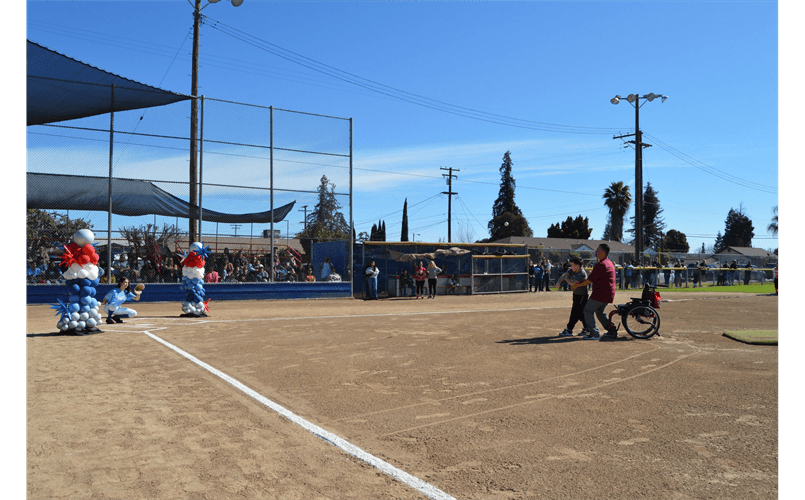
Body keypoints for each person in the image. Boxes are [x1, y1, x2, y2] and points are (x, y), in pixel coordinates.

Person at [572, 243, 617, 340]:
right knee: (599, 311)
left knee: (587, 310)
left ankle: (594, 333)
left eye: (598, 250)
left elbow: (589, 281)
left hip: (601, 293)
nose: (596, 251)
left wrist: (577, 285)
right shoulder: (608, 262)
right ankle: (611, 329)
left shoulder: (601, 264)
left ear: (603, 252)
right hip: (609, 293)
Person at [556, 256, 589, 337]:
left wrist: (566, 277)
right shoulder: (573, 270)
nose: (571, 267)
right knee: (581, 313)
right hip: (576, 294)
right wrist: (558, 282)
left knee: (575, 313)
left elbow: (572, 283)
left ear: (578, 266)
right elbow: (564, 275)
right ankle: (587, 328)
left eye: (572, 265)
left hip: (582, 296)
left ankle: (569, 329)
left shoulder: (581, 273)